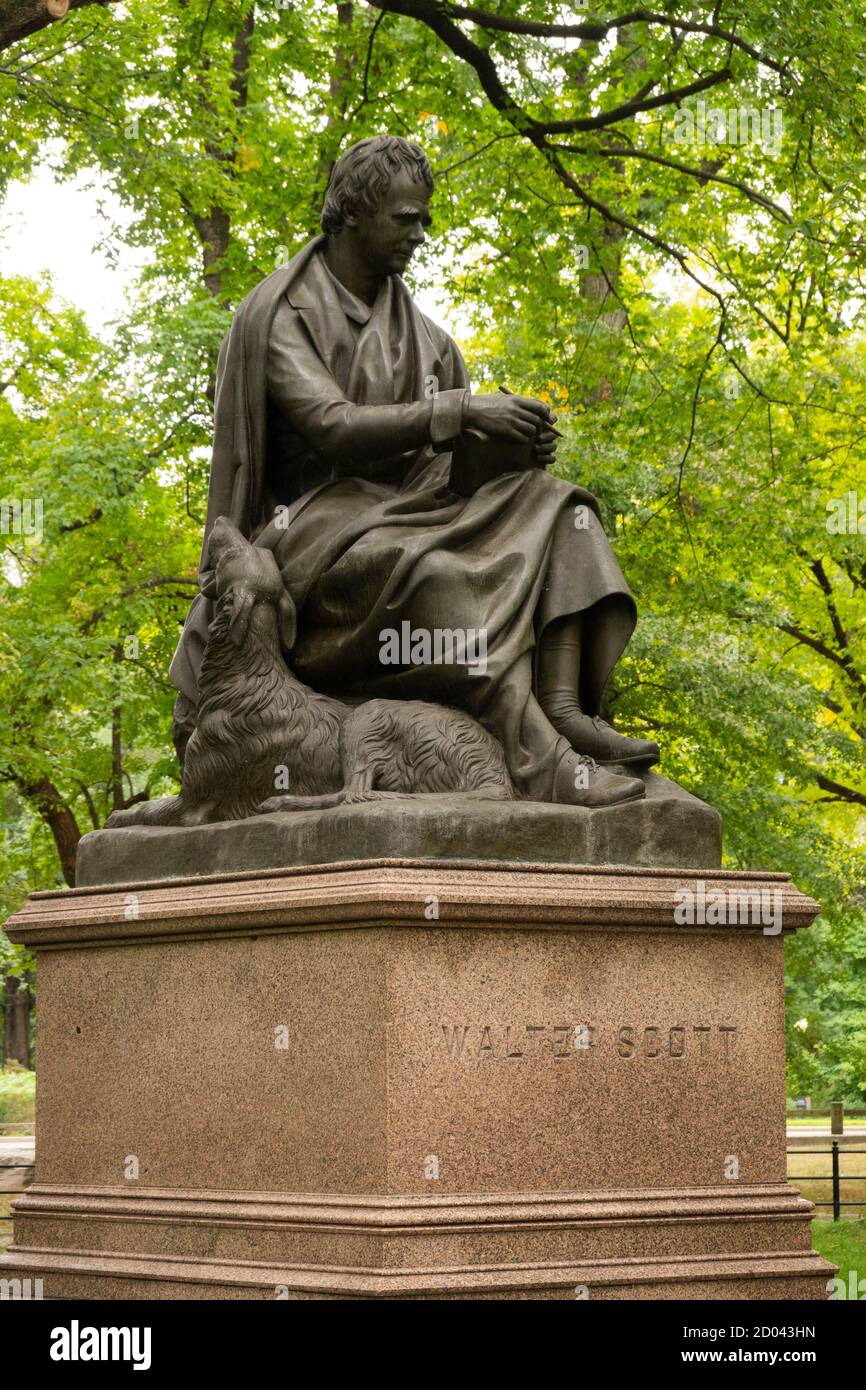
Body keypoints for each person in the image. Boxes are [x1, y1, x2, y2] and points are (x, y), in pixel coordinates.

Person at [170, 135, 659, 807]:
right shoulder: (283, 314)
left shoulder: (428, 337)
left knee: (562, 507)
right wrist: (458, 413)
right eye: (406, 218)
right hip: (309, 533)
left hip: (408, 513)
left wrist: (504, 450)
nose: (421, 234)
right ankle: (539, 760)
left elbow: (444, 476)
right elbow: (331, 426)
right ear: (350, 211)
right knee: (440, 576)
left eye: (425, 218)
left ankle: (565, 706)